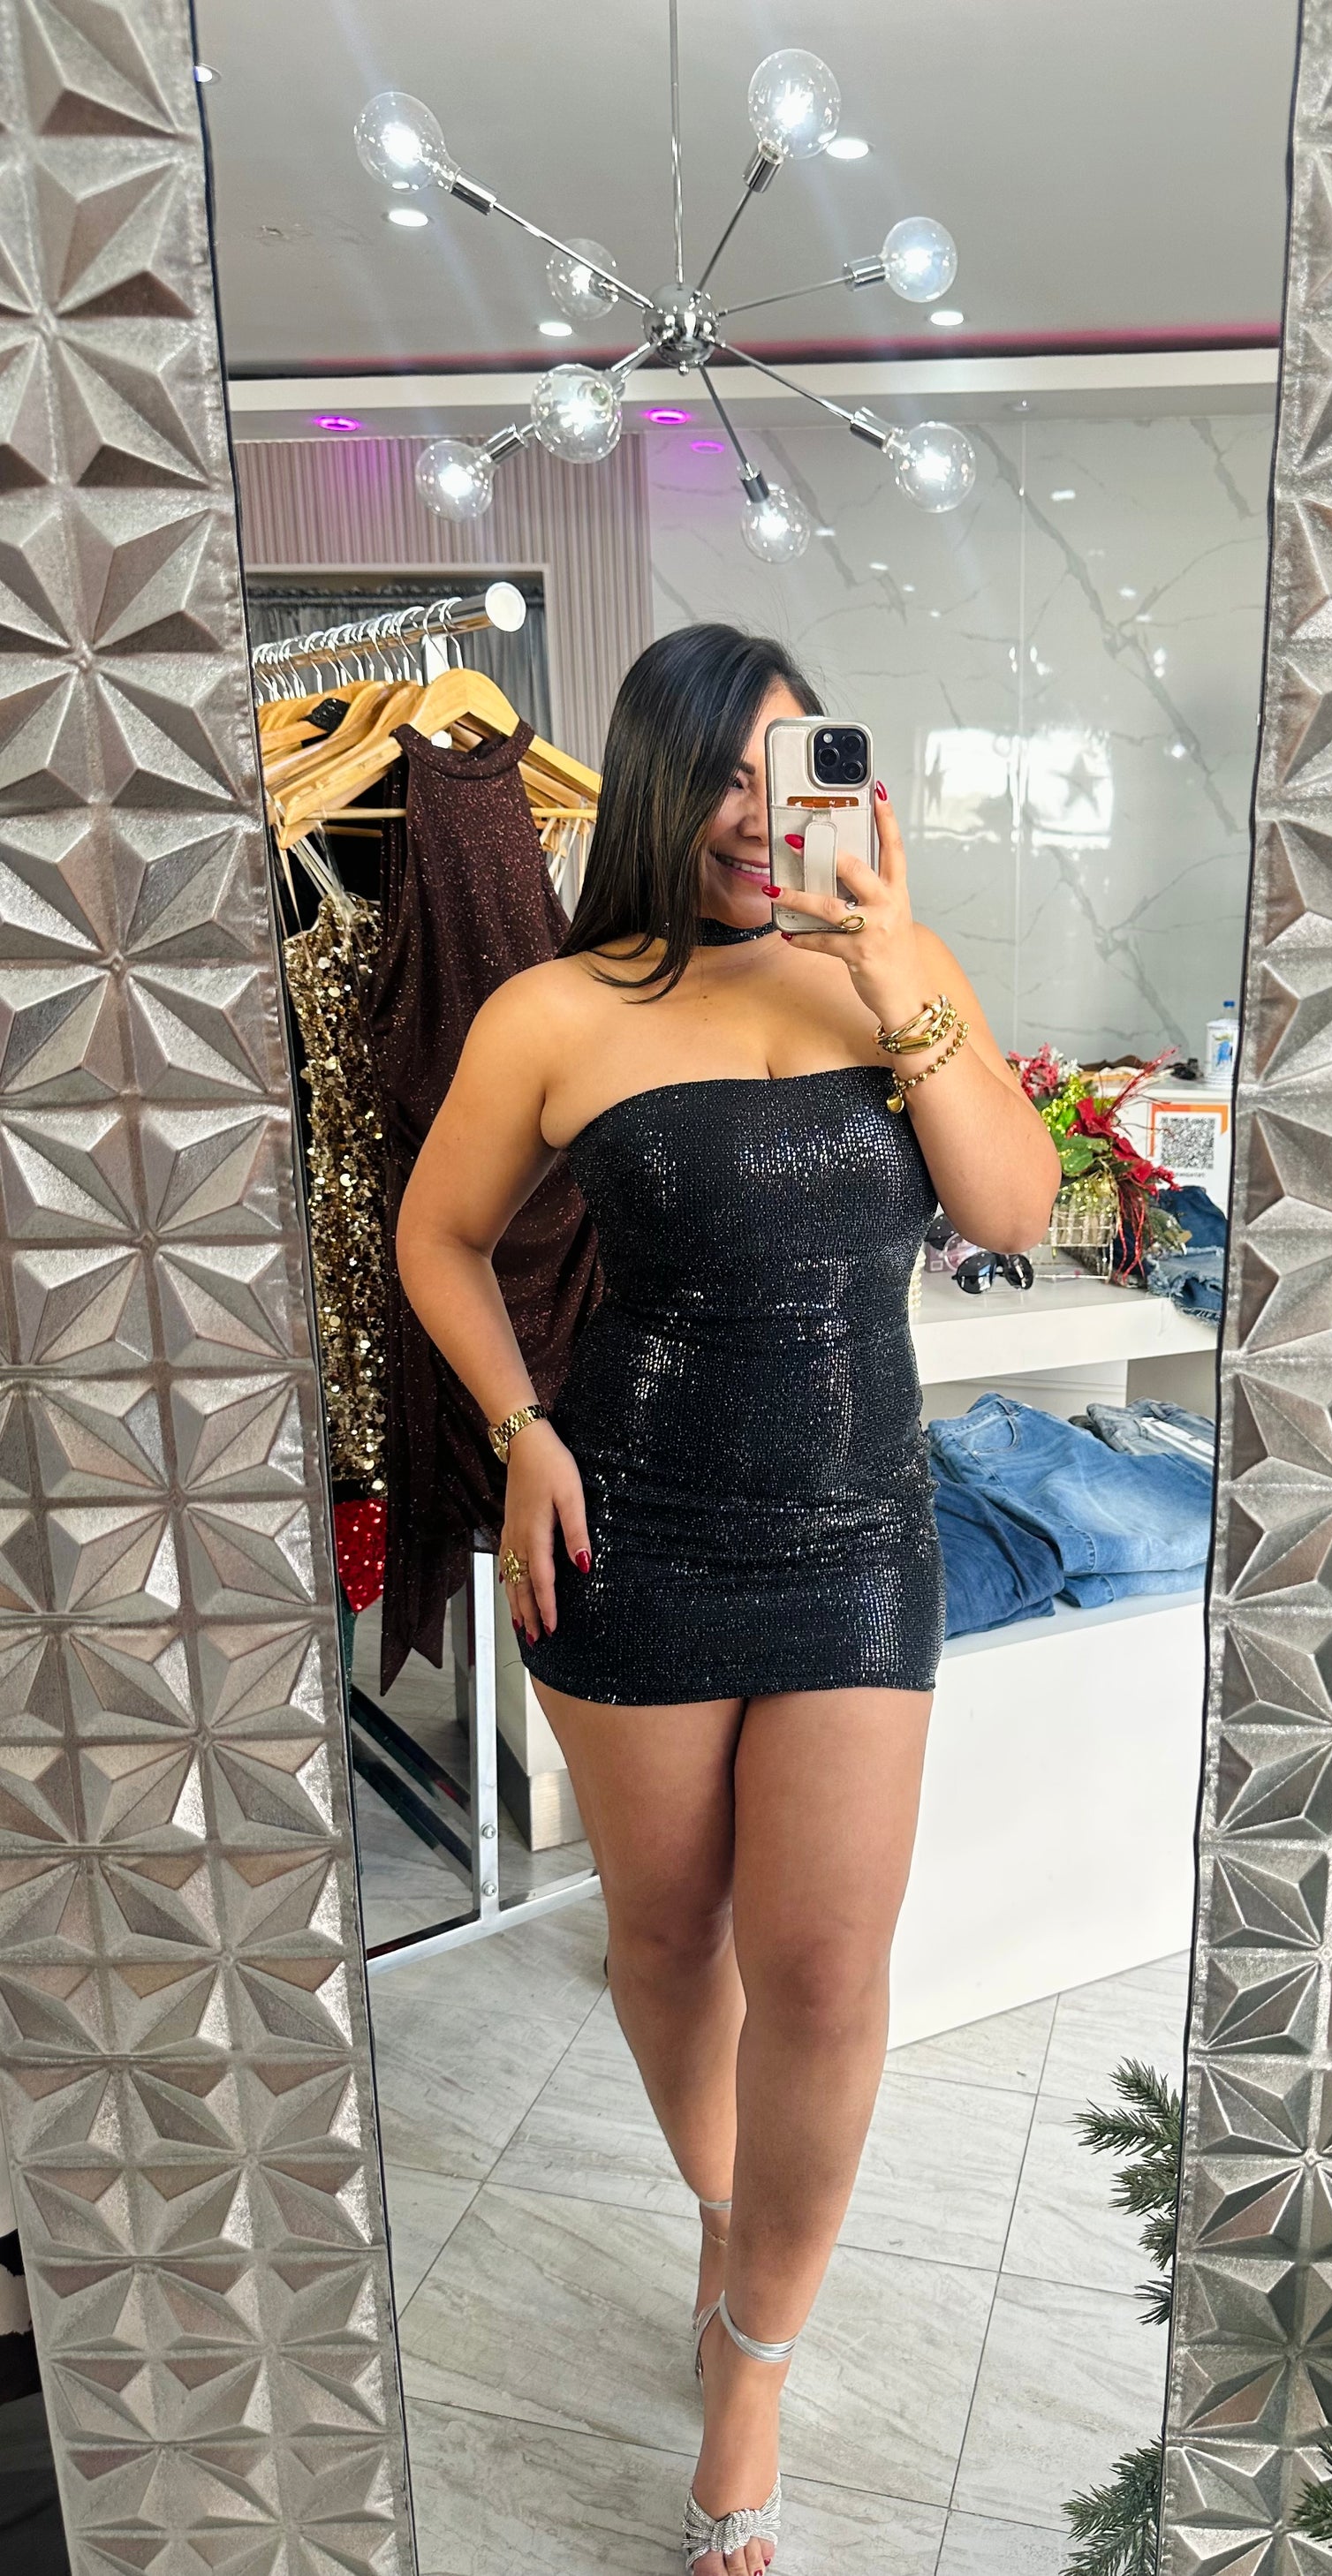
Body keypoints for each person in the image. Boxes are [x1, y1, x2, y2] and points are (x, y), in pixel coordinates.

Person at [395, 623, 1061, 2576]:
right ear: (662, 788)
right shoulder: (557, 1006)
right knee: (670, 1935)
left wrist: (893, 968)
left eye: (801, 773)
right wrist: (521, 1428)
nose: (771, 818)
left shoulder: (900, 968)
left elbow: (1010, 1210)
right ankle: (718, 2207)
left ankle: (756, 2353)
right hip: (634, 1525)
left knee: (829, 1974)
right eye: (732, 781)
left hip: (858, 1537)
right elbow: (436, 1234)